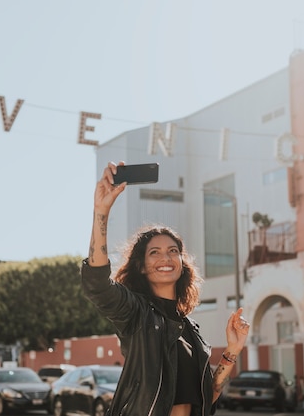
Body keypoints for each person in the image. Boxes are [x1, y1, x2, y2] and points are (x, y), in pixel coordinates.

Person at [81, 161, 251, 416]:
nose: (166, 258)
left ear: (182, 264)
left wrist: (233, 350)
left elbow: (209, 394)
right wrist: (101, 212)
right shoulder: (136, 313)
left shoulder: (190, 329)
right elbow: (97, 283)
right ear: (140, 266)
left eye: (173, 251)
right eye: (155, 253)